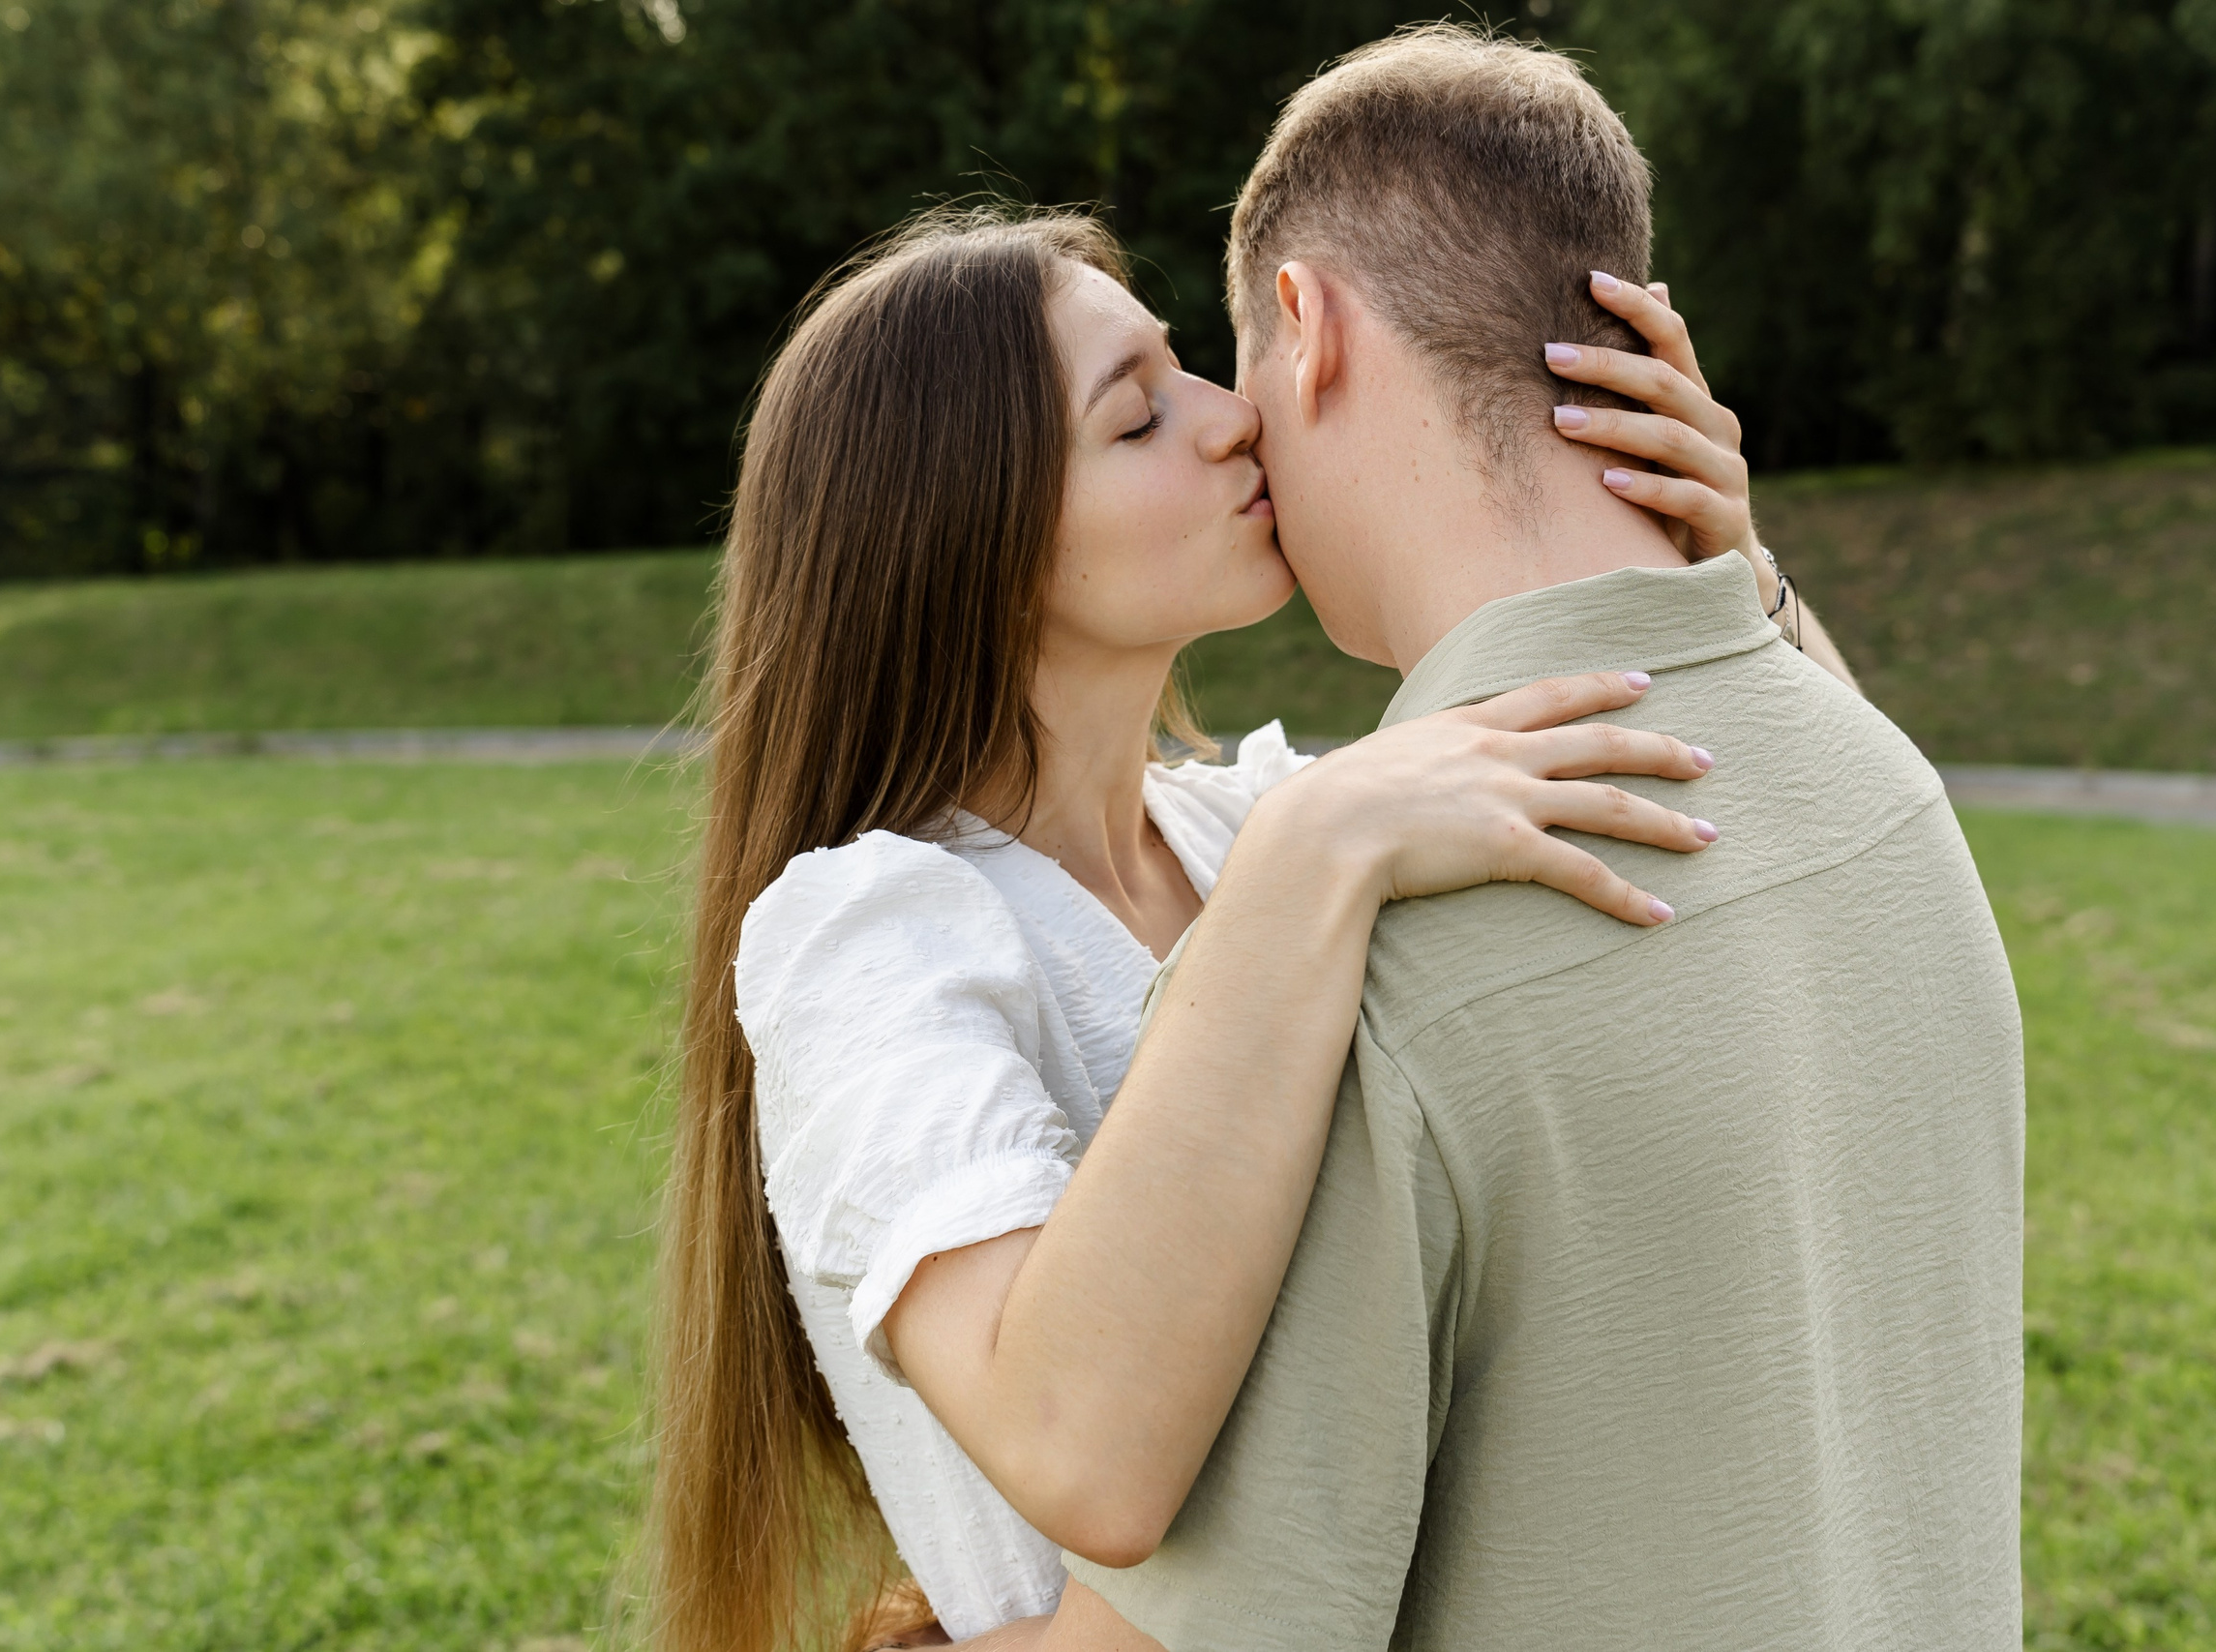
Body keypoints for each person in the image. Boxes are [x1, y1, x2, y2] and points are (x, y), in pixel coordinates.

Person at [648, 191, 1804, 1652]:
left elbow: (1746, 842)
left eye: (1187, 364)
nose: (1231, 418)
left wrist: (1731, 576)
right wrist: (1320, 848)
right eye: (1136, 420)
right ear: (965, 539)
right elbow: (1081, 1456)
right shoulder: (869, 937)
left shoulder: (1245, 822)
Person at [1044, 27, 2025, 1652]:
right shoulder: (1894, 800)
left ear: (1308, 325)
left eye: (1233, 366)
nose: (1237, 439)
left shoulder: (1340, 971)